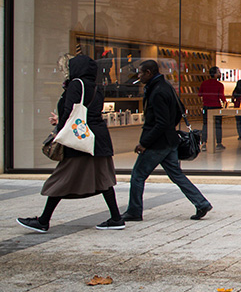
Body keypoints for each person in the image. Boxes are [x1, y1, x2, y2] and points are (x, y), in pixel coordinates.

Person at [17, 54, 124, 232]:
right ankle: (116, 218)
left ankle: (43, 221)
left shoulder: (76, 84)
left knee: (63, 177)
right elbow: (87, 113)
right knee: (103, 178)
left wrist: (58, 130)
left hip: (80, 139)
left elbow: (70, 111)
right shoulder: (96, 87)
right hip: (98, 139)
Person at [119, 60, 212, 223]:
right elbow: (179, 110)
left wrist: (145, 143)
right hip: (169, 140)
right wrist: (170, 128)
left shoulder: (157, 91)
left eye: (140, 73)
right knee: (176, 175)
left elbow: (160, 123)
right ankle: (201, 203)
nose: (139, 76)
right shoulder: (165, 86)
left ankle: (134, 211)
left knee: (138, 175)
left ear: (149, 72)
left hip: (158, 143)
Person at [199, 66, 226, 151]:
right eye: (218, 72)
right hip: (216, 106)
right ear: (215, 74)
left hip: (206, 106)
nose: (220, 73)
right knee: (218, 125)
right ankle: (218, 143)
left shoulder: (204, 83)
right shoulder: (219, 85)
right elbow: (221, 96)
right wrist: (225, 102)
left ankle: (204, 143)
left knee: (205, 124)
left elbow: (200, 94)